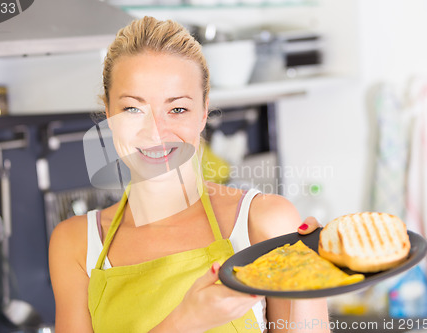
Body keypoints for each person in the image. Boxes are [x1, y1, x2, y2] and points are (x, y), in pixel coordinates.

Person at [49, 16, 329, 333]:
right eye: (133, 109)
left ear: (203, 114)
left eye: (178, 109)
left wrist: (312, 283)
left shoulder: (263, 222)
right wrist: (188, 320)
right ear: (108, 113)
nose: (155, 132)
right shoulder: (76, 244)